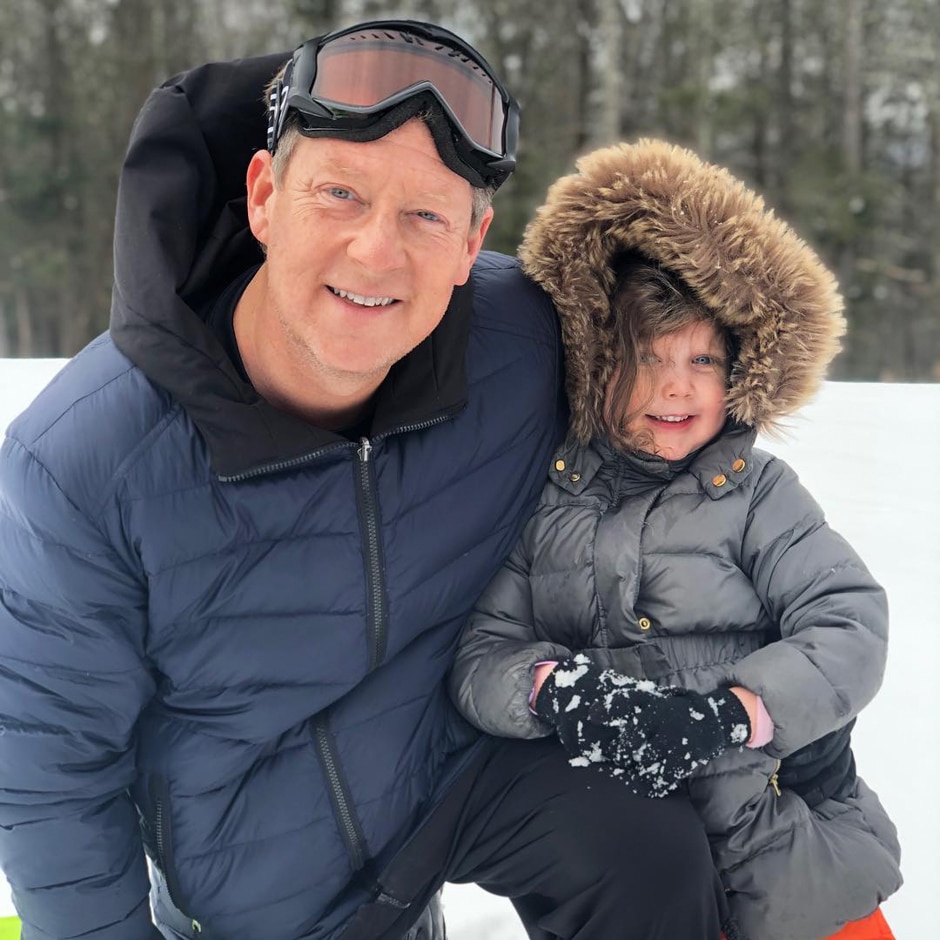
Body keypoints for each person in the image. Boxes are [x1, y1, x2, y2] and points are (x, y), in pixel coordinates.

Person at [0, 22, 734, 940]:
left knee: (647, 848)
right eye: (339, 194)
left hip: (456, 765)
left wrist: (782, 711)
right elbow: (49, 776)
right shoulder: (82, 460)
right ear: (265, 198)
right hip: (253, 868)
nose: (377, 252)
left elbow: (702, 420)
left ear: (472, 245)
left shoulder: (524, 344)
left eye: (427, 215)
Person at [450, 138, 903, 940]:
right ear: (594, 365)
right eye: (647, 356)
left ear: (739, 371)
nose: (676, 385)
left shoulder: (755, 492)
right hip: (636, 870)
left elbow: (849, 621)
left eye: (703, 357)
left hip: (790, 855)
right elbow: (484, 649)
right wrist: (556, 689)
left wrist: (735, 713)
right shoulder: (547, 500)